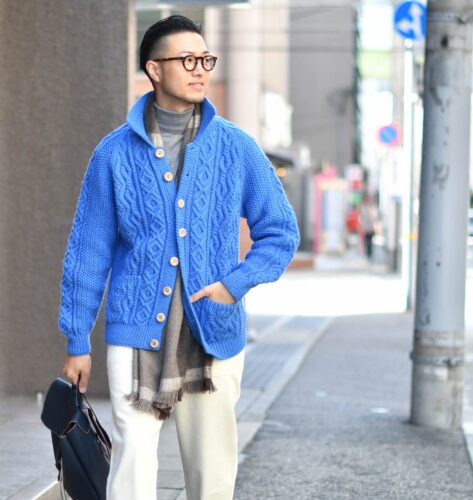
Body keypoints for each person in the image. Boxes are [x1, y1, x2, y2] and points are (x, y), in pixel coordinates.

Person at [58, 15, 300, 500]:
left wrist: (235, 284)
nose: (200, 70)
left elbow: (280, 232)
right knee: (132, 464)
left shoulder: (236, 148)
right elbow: (88, 252)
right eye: (187, 60)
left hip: (213, 332)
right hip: (135, 330)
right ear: (154, 69)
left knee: (211, 473)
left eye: (205, 59)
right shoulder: (113, 154)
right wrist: (77, 338)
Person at [358, 193, 379, 260]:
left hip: (370, 227)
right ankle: (367, 253)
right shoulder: (364, 207)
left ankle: (369, 253)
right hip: (366, 227)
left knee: (369, 241)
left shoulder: (372, 208)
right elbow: (361, 218)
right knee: (367, 241)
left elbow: (374, 218)